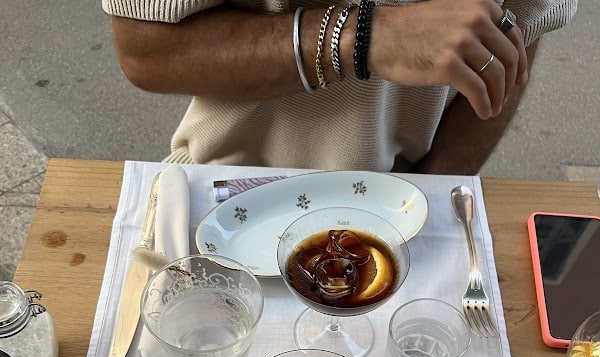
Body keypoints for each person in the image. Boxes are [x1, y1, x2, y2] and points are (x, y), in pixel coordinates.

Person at [101, 0, 576, 174]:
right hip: (225, 186)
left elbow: (517, 30)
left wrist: (433, 194)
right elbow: (146, 49)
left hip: (407, 196)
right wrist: (362, 37)